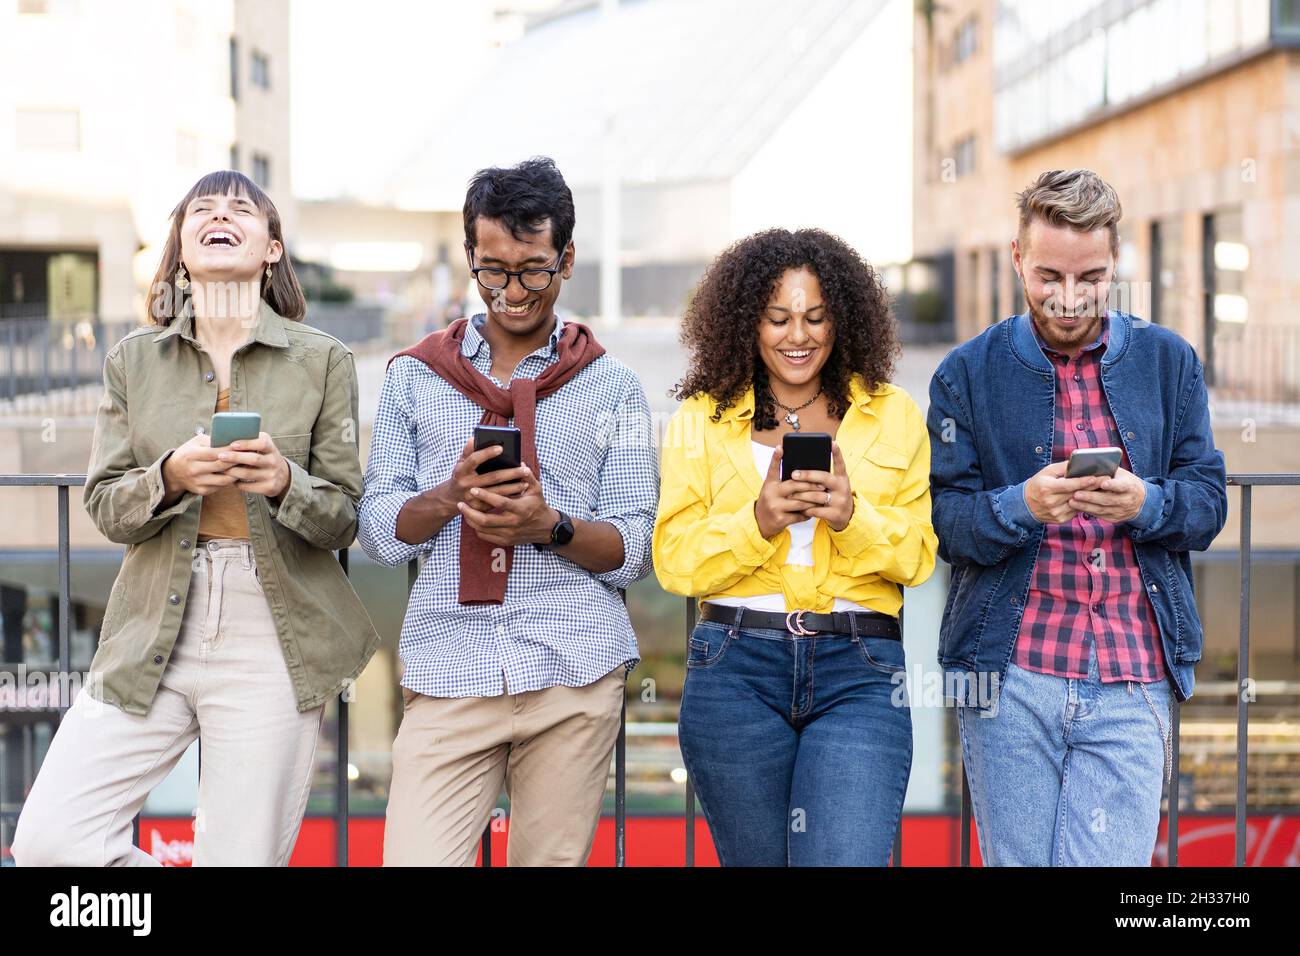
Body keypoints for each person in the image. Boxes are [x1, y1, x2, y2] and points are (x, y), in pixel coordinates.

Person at [12, 170, 380, 866]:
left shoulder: (322, 360)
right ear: (179, 246)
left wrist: (282, 482)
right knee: (49, 841)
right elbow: (105, 506)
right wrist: (170, 476)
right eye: (202, 209)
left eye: (241, 209)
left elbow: (344, 517)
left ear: (271, 248)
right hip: (153, 620)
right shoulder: (134, 361)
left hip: (275, 631)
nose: (220, 215)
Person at [358, 157, 658, 867]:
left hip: (573, 671)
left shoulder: (612, 386)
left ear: (567, 260)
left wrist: (546, 526)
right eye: (492, 270)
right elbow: (377, 530)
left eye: (532, 270)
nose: (511, 292)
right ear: (470, 257)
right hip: (449, 668)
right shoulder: (414, 375)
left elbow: (635, 547)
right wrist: (446, 498)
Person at [927, 168, 1228, 866]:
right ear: (1016, 259)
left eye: (1090, 277)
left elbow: (1207, 504)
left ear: (1116, 263)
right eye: (1047, 276)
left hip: (1133, 674)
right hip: (1011, 676)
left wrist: (1147, 504)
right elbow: (947, 525)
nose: (1067, 298)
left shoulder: (1168, 361)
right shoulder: (964, 375)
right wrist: (1022, 506)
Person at [653, 227, 937, 866]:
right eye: (778, 318)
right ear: (747, 322)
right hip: (734, 669)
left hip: (859, 671)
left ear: (844, 320)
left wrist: (851, 516)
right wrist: (758, 520)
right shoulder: (700, 419)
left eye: (815, 317)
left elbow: (918, 555)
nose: (797, 335)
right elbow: (673, 560)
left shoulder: (893, 414)